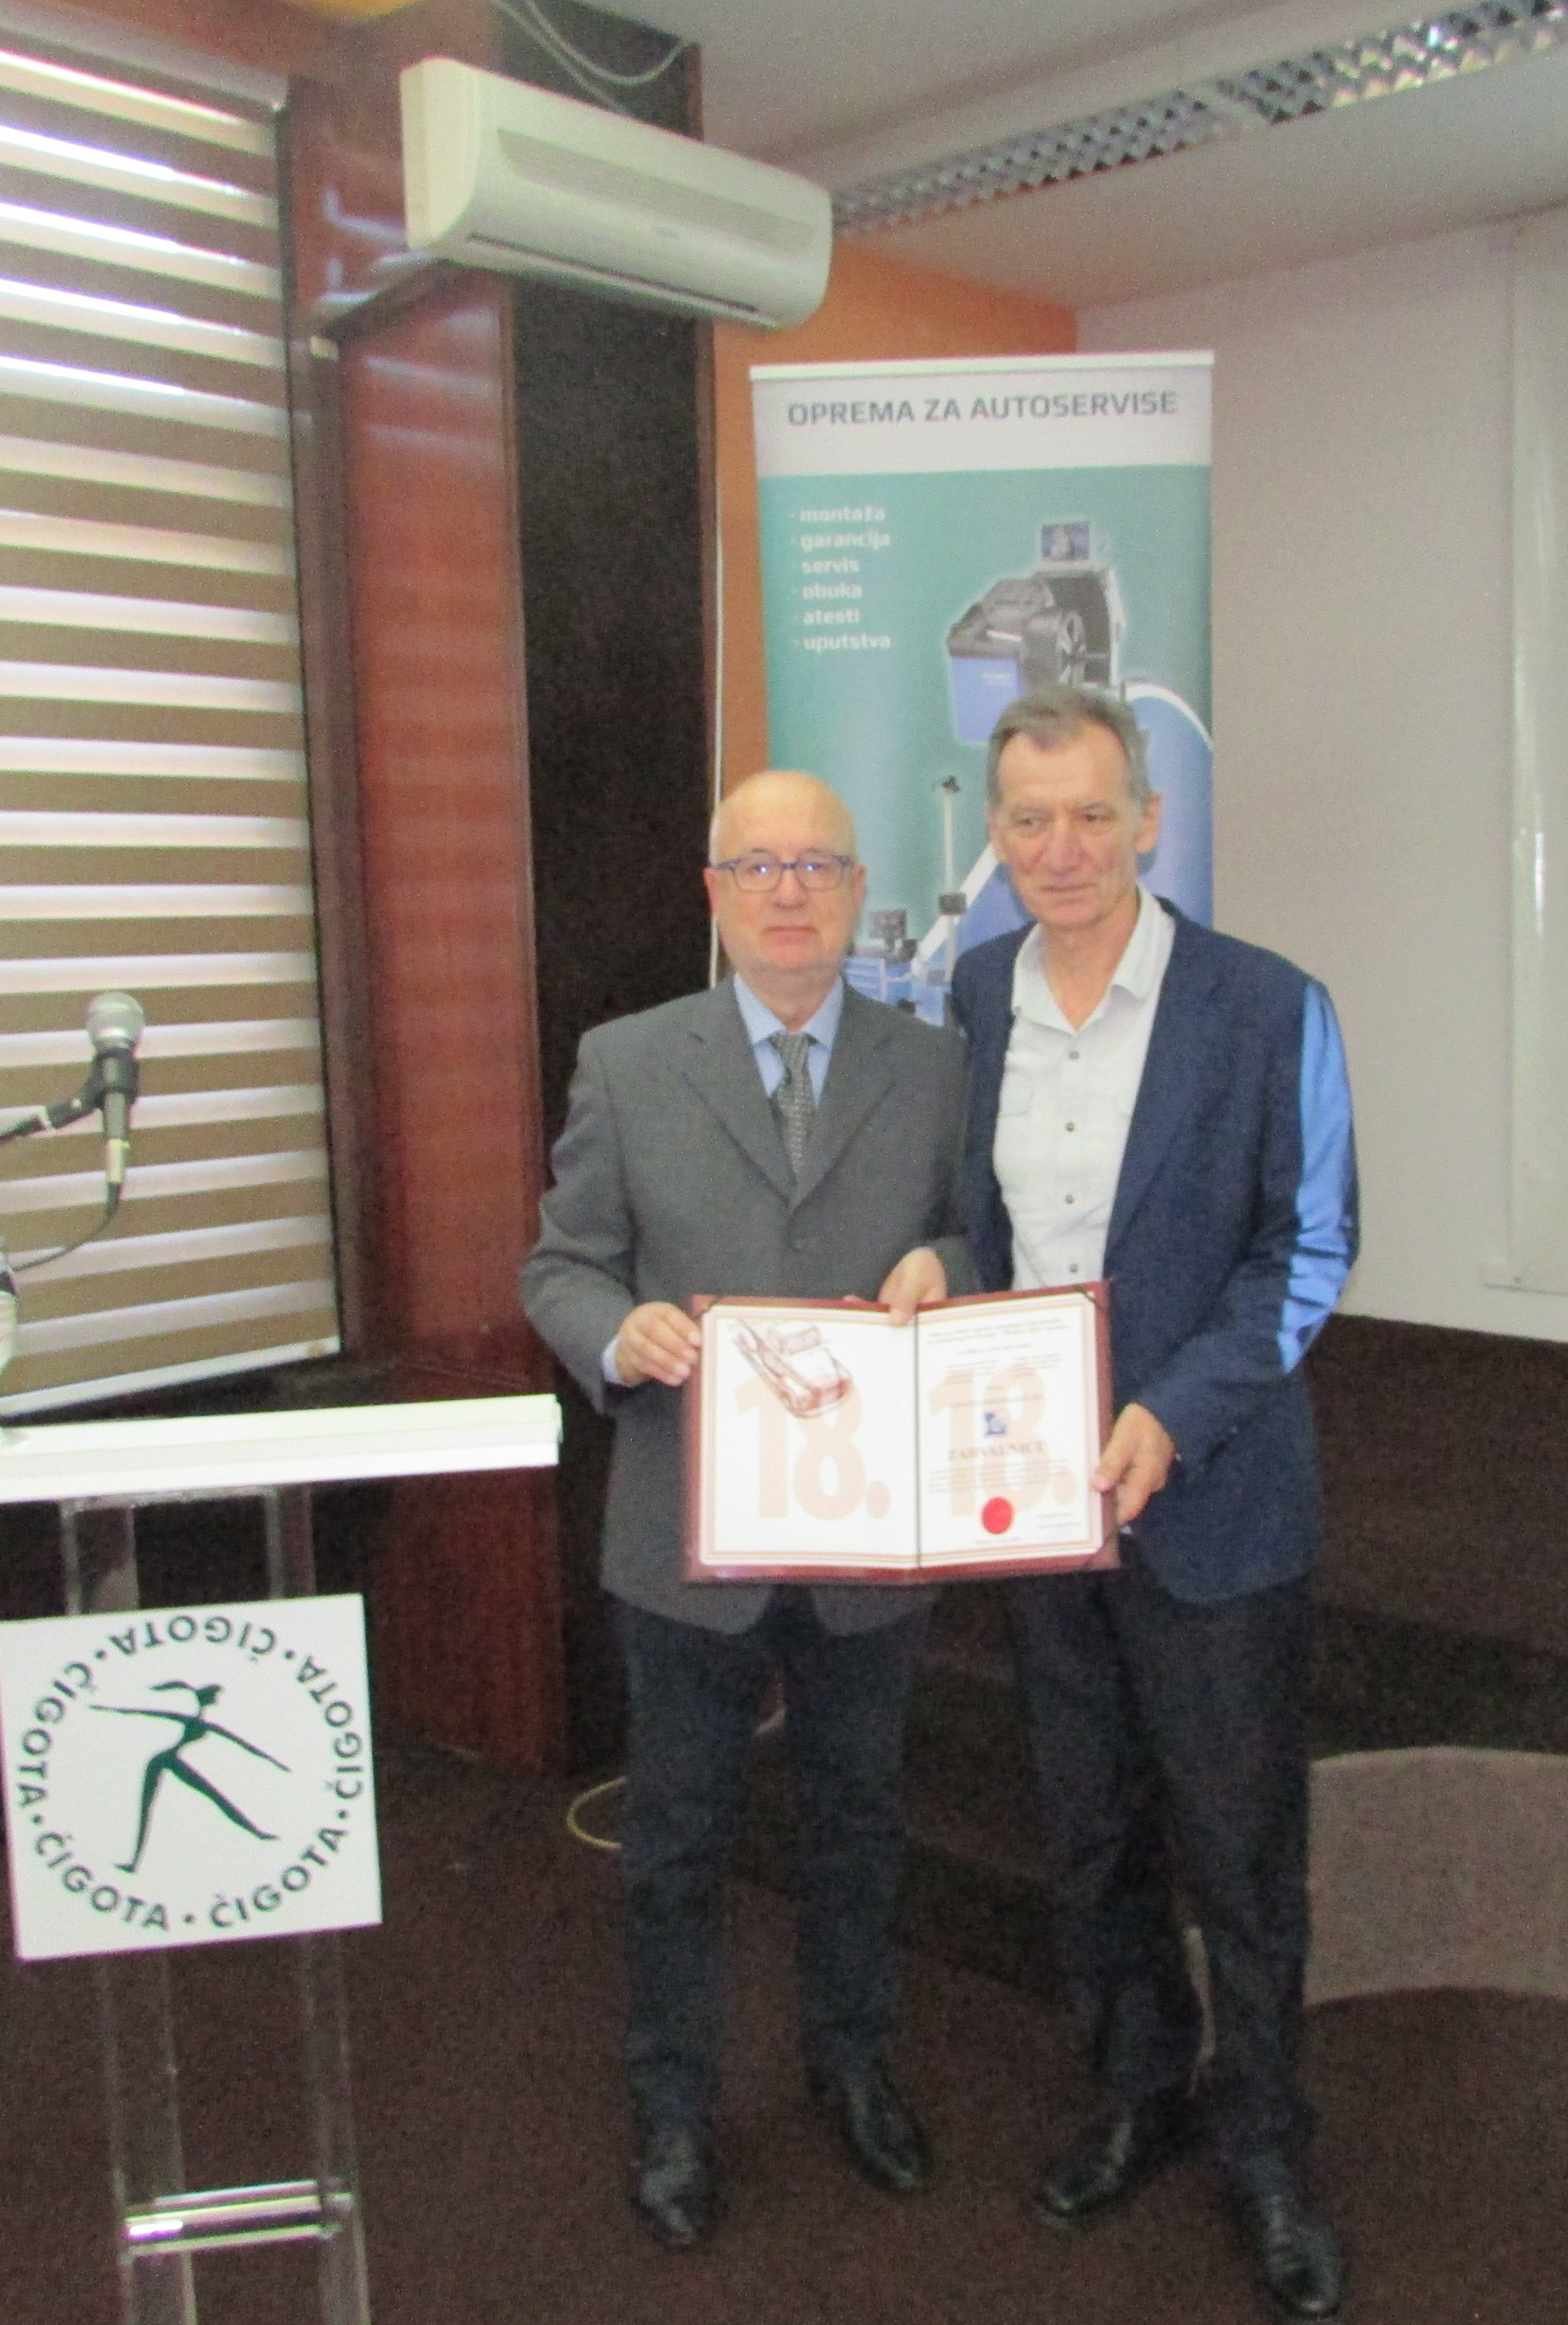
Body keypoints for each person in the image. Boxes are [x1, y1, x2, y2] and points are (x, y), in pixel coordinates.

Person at [951, 685, 1360, 2322]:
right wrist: (935, 1270)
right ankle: (1141, 2088)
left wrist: (1170, 1418)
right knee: (1091, 1825)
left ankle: (1265, 2146)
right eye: (1028, 819)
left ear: (1149, 823)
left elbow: (1308, 1250)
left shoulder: (1266, 1005)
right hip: (1035, 1502)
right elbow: (972, 1224)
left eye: (1091, 815)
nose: (1061, 848)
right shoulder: (969, 995)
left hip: (1212, 1505)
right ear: (995, 833)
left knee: (1240, 1852)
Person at [521, 770, 971, 2251]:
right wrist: (615, 1333)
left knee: (859, 1824)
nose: (790, 891)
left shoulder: (935, 1066)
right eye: (758, 866)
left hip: (868, 1531)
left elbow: (974, 1237)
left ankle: (854, 2064)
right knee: (677, 1843)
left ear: (858, 892)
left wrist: (952, 1273)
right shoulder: (627, 1060)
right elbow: (562, 1265)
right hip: (687, 1528)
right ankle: (673, 2107)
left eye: (818, 865)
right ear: (714, 893)